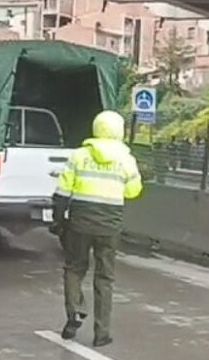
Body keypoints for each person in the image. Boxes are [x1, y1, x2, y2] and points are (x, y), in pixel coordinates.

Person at [52, 110, 143, 347]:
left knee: (74, 268)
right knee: (105, 278)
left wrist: (58, 219)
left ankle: (75, 311)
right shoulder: (126, 159)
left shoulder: (79, 156)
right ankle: (102, 333)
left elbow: (62, 191)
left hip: (80, 222)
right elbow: (133, 191)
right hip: (109, 225)